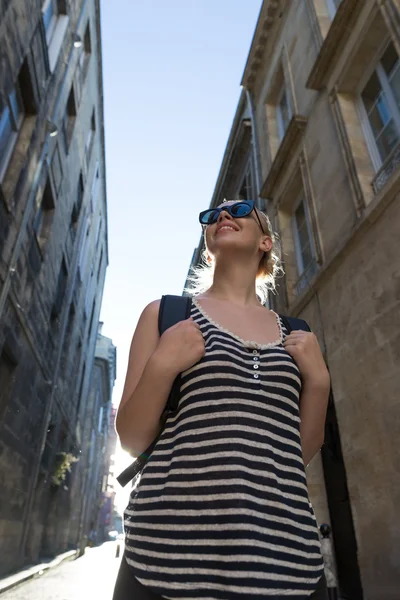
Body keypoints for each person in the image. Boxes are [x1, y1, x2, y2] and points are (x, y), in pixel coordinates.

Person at [113, 199, 331, 600]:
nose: (222, 217)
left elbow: (296, 454)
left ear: (265, 241)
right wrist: (163, 364)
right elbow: (131, 438)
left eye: (239, 210)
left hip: (282, 559)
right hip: (165, 556)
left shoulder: (296, 334)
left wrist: (318, 382)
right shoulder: (166, 315)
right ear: (208, 243)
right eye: (213, 216)